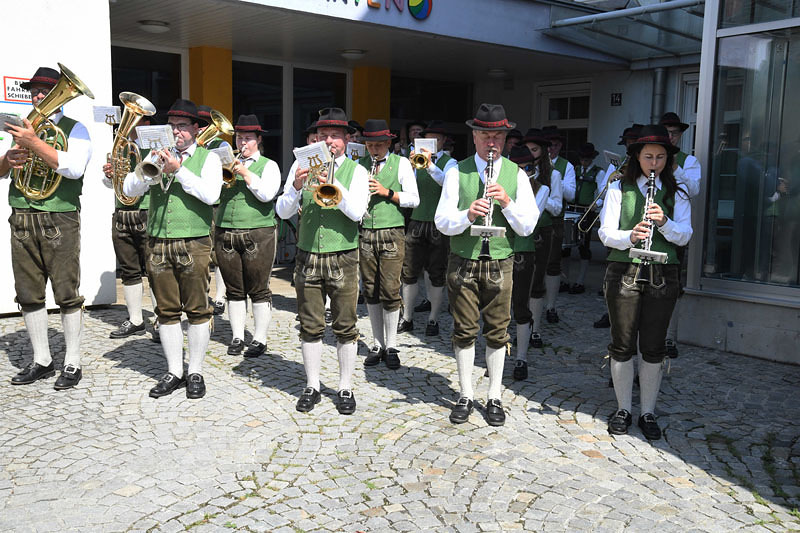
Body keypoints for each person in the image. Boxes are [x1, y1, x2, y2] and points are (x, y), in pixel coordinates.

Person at [435, 103, 538, 426]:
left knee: (498, 331)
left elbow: (527, 226)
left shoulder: (517, 174)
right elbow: (441, 222)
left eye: (497, 137)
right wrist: (467, 215)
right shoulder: (457, 171)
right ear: (475, 137)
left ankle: (494, 395)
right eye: (485, 136)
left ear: (505, 139)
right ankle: (466, 393)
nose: (491, 143)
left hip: (500, 261)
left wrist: (506, 202)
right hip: (463, 259)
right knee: (464, 330)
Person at [122, 98, 223, 399]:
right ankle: (174, 371)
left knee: (197, 309)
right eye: (172, 126)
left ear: (196, 129)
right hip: (158, 241)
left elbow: (211, 195)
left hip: (194, 241)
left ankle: (196, 371)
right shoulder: (155, 154)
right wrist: (146, 169)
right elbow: (128, 190)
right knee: (165, 311)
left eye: (182, 126)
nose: (177, 132)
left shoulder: (209, 158)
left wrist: (178, 170)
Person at [599, 124, 692, 441]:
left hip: (663, 273)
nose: (654, 163)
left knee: (653, 345)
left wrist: (663, 222)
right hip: (623, 270)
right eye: (649, 156)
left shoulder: (678, 191)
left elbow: (685, 235)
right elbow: (605, 233)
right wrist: (631, 236)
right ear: (637, 156)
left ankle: (648, 412)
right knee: (622, 343)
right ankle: (623, 409)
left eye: (661, 157)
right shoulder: (618, 188)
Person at [2, 66, 92, 390]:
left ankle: (72, 361)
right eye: (34, 91)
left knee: (67, 292)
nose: (38, 96)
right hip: (22, 215)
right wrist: (9, 158)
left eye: (45, 90)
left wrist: (33, 143)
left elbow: (74, 168)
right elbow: (1, 170)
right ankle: (42, 360)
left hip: (59, 217)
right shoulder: (18, 124)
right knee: (28, 293)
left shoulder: (76, 129)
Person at [276, 107, 369, 415]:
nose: (328, 141)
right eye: (323, 135)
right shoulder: (300, 166)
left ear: (346, 140)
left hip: (343, 255)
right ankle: (312, 385)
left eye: (335, 136)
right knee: (310, 324)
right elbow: (283, 211)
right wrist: (296, 187)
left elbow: (356, 213)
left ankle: (345, 386)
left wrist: (332, 183)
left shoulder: (357, 171)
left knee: (345, 324)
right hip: (307, 254)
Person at [214, 115, 281, 358]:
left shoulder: (269, 165)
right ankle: (237, 336)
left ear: (258, 140)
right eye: (240, 138)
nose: (243, 143)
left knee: (259, 289)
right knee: (234, 289)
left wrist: (244, 172)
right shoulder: (226, 163)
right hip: (226, 229)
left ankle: (260, 338)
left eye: (248, 138)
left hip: (259, 232)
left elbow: (267, 194)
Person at [358, 119, 419, 368]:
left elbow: (414, 199)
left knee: (391, 289)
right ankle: (377, 343)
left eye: (379, 145)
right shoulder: (359, 166)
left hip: (392, 232)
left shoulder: (401, 163)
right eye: (370, 145)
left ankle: (392, 344)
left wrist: (387, 193)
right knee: (370, 290)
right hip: (366, 232)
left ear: (388, 143)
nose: (374, 149)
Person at [398, 120, 458, 336]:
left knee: (436, 272)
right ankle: (407, 317)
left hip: (438, 223)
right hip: (416, 220)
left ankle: (433, 319)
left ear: (442, 141)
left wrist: (429, 165)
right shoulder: (414, 161)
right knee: (409, 271)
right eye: (427, 140)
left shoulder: (451, 163)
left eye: (435, 139)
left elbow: (446, 183)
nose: (431, 143)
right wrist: (410, 166)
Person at [102, 115, 157, 340]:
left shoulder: (154, 150)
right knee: (128, 269)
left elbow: (153, 182)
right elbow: (111, 186)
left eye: (135, 120)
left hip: (146, 211)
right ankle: (135, 319)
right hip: (122, 212)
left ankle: (160, 319)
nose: (127, 125)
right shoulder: (121, 148)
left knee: (155, 270)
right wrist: (110, 176)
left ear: (146, 124)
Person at [659, 112, 701, 357]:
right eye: (667, 133)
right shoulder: (651, 157)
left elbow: (694, 190)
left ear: (681, 136)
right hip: (650, 227)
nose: (671, 137)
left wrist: (675, 167)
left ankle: (669, 337)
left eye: (674, 133)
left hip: (675, 229)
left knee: (672, 285)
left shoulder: (689, 161)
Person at [507, 145, 550, 381]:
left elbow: (529, 221)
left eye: (527, 168)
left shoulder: (542, 189)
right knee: (497, 308)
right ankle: (497, 353)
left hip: (524, 251)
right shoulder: (501, 185)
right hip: (500, 249)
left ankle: (521, 357)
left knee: (521, 306)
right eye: (518, 169)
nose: (524, 172)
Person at [594, 124, 642, 330]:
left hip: (639, 230)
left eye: (632, 144)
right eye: (627, 144)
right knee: (614, 276)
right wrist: (612, 181)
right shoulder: (619, 164)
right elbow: (602, 190)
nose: (628, 148)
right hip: (616, 227)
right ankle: (611, 311)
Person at [521, 129, 562, 351]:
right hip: (519, 231)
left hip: (542, 230)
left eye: (535, 150)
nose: (531, 154)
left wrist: (540, 196)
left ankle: (535, 329)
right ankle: (521, 326)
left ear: (543, 152)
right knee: (519, 281)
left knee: (537, 281)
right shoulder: (516, 171)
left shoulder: (552, 175)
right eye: (527, 149)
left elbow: (557, 208)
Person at [197, 105, 231, 316]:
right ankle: (200, 293)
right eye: (199, 125)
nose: (201, 129)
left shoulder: (221, 144)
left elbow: (228, 170)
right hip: (195, 202)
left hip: (216, 203)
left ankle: (220, 296)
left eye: (205, 125)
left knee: (218, 252)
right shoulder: (191, 146)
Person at [542, 126, 575, 321]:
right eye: (548, 145)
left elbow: (570, 195)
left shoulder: (566, 166)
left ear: (560, 146)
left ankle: (551, 307)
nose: (550, 149)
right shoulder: (533, 164)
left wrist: (556, 179)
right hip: (535, 220)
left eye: (554, 145)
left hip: (554, 221)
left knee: (553, 264)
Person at [567, 143, 605, 294]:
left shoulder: (598, 172)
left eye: (587, 159)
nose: (584, 162)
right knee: (566, 246)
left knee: (584, 247)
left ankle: (580, 281)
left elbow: (603, 192)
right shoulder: (574, 169)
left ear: (592, 159)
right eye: (582, 159)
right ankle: (565, 280)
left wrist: (597, 204)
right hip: (572, 209)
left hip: (586, 211)